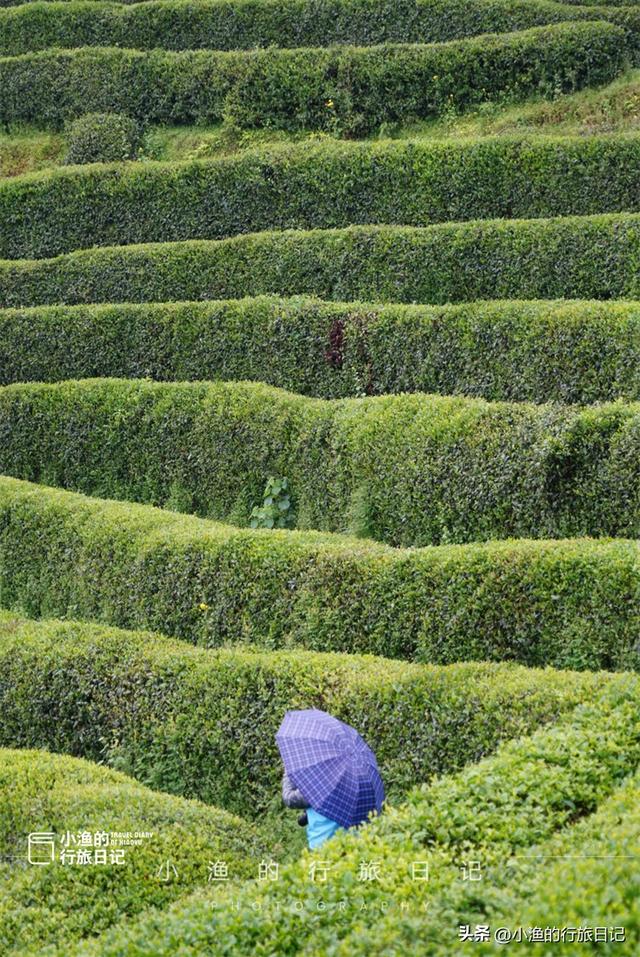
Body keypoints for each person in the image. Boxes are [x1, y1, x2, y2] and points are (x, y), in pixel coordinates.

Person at [281, 770, 344, 849]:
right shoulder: (354, 775)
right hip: (355, 840)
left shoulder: (317, 783)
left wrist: (288, 770)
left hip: (323, 842)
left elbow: (289, 799)